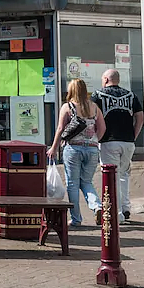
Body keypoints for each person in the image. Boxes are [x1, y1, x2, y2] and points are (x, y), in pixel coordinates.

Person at [50, 78, 106, 227]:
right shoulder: (94, 107)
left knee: (73, 184)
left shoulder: (67, 107)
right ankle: (97, 207)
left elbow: (60, 129)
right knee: (86, 182)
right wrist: (93, 141)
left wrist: (54, 147)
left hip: (73, 148)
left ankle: (76, 219)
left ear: (71, 90)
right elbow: (102, 128)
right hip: (92, 149)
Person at [93, 69, 144, 224]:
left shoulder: (98, 95)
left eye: (103, 78)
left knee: (111, 177)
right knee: (124, 175)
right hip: (128, 141)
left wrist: (96, 137)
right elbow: (140, 117)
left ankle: (118, 214)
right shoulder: (131, 95)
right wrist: (133, 136)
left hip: (108, 140)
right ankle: (125, 207)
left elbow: (91, 115)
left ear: (107, 79)